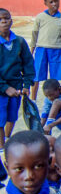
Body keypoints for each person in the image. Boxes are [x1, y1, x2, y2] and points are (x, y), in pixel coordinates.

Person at [0, 8, 34, 147]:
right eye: (0, 20)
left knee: (12, 116)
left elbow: (28, 64)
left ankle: (7, 139)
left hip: (16, 87)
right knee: (0, 119)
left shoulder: (19, 41)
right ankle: (2, 148)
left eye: (6, 18)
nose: (4, 22)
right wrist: (5, 87)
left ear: (11, 21)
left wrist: (26, 84)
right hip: (2, 88)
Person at [30, 0, 61, 100]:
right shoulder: (40, 17)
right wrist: (31, 52)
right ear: (45, 3)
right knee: (36, 75)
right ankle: (33, 99)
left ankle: (55, 100)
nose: (54, 4)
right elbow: (34, 35)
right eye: (51, 2)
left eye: (56, 1)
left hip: (56, 50)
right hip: (41, 49)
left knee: (55, 77)